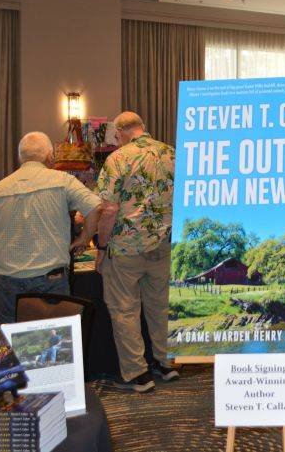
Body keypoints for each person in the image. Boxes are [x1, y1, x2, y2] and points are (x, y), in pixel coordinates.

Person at [0, 132, 101, 324]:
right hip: (50, 283)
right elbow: (94, 206)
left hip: (7, 284)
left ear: (20, 157)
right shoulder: (63, 181)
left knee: (11, 349)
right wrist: (85, 239)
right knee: (54, 346)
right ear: (50, 156)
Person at [95, 111, 179, 392]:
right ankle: (167, 363)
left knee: (125, 310)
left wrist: (102, 245)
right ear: (143, 128)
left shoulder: (117, 158)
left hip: (126, 249)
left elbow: (108, 209)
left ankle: (137, 375)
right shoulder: (171, 153)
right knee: (161, 306)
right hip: (165, 244)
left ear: (120, 133)